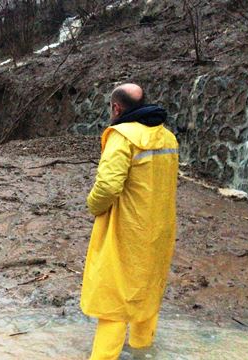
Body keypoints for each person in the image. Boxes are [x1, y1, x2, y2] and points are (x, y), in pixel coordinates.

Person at [81, 84, 179, 359]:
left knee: (114, 296)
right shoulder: (168, 137)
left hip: (127, 227)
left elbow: (108, 186)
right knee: (148, 289)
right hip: (159, 227)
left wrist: (93, 207)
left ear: (116, 108)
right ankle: (142, 349)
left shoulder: (122, 137)